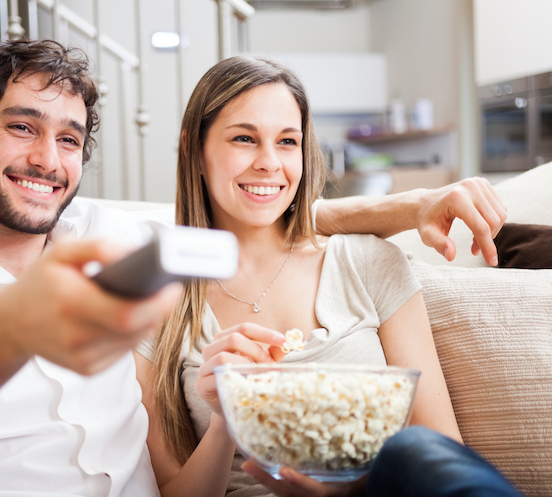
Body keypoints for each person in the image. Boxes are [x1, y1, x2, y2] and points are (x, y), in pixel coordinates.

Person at [0, 39, 505, 496]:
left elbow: (255, 209)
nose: (48, 159)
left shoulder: (113, 239)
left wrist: (411, 204)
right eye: (21, 126)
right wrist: (18, 320)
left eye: (69, 138)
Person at [134, 55, 521, 497]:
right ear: (193, 149)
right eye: (244, 138)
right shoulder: (158, 298)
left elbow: (440, 459)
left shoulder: (369, 263)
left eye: (286, 141)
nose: (268, 162)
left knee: (412, 452)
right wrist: (228, 417)